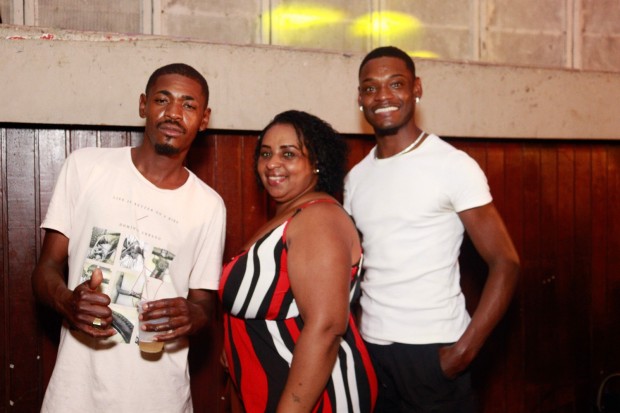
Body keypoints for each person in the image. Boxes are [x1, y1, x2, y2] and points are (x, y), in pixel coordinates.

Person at [31, 63, 226, 412]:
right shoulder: (85, 167)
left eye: (188, 105)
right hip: (76, 396)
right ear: (143, 105)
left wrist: (192, 315)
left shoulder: (209, 206)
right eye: (162, 100)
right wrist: (66, 301)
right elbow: (46, 267)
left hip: (160, 398)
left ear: (204, 119)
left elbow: (203, 302)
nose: (174, 113)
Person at [343, 46, 520, 412]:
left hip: (434, 352)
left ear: (417, 89)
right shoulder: (356, 178)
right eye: (371, 88)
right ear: (360, 98)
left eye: (396, 84)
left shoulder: (452, 165)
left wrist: (463, 351)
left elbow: (506, 262)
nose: (383, 96)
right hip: (372, 352)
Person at [218, 110, 377, 413]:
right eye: (266, 153)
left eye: (288, 153)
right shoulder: (289, 215)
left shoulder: (318, 218)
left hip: (312, 398)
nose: (272, 163)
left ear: (316, 162)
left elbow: (326, 327)